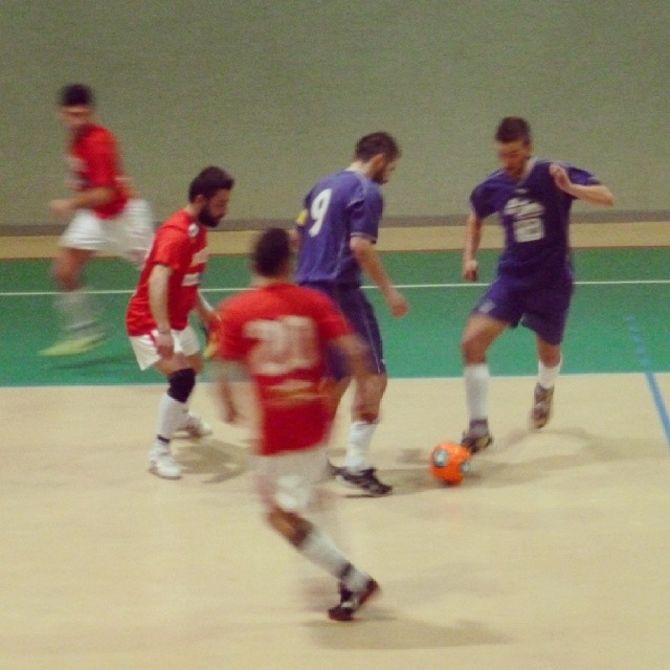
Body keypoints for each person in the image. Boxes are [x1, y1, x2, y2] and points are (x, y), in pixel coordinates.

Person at [215, 227, 379, 622]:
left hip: (276, 430)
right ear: (288, 264)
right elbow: (354, 348)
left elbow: (225, 369)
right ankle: (337, 562)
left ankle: (352, 578)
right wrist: (366, 393)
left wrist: (228, 404)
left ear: (253, 265)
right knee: (308, 495)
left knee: (277, 515)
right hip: (315, 421)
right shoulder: (313, 301)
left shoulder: (236, 311)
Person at [460, 117, 614, 452]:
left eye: (514, 154)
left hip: (552, 281)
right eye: (502, 155)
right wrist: (469, 257)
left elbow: (607, 197)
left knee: (549, 352)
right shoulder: (494, 185)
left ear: (528, 148)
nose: (508, 162)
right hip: (513, 279)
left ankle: (545, 388)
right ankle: (478, 428)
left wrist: (570, 188)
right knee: (471, 342)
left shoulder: (553, 172)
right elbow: (475, 215)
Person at [293, 132, 409, 496]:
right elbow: (360, 246)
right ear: (379, 159)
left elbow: (296, 237)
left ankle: (312, 459)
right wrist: (390, 291)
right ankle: (356, 465)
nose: (389, 176)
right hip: (338, 292)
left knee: (336, 376)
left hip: (307, 292)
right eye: (391, 168)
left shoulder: (320, 187)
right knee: (373, 376)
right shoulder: (366, 191)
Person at [126, 166, 235, 479]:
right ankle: (159, 452)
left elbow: (188, 281)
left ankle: (180, 416)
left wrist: (207, 314)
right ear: (200, 200)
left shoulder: (198, 231)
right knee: (183, 378)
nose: (224, 211)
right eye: (220, 204)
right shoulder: (177, 234)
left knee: (195, 367)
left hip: (175, 319)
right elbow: (158, 280)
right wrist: (162, 330)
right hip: (148, 320)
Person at [41, 83, 155, 356]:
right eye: (72, 115)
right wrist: (79, 185)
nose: (77, 120)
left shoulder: (98, 142)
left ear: (91, 112)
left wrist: (70, 203)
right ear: (61, 113)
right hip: (96, 217)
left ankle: (211, 325)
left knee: (165, 278)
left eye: (83, 115)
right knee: (64, 270)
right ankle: (85, 330)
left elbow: (106, 193)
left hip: (125, 219)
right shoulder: (75, 141)